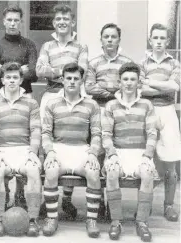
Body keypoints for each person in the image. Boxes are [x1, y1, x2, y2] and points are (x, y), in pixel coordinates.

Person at [36, 4, 88, 218]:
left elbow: (81, 73)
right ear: (53, 22)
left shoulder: (81, 46)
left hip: (74, 96)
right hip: (51, 94)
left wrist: (57, 71)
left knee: (72, 140)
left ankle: (66, 198)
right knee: (45, 142)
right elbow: (40, 70)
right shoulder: (47, 46)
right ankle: (46, 198)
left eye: (66, 18)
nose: (62, 22)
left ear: (72, 22)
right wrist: (66, 71)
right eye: (58, 19)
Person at [42, 63, 101, 238]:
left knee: (93, 172)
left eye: (76, 79)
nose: (72, 82)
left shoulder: (92, 105)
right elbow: (45, 133)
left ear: (82, 81)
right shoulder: (52, 104)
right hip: (59, 149)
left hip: (81, 149)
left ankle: (91, 220)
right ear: (62, 80)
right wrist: (50, 152)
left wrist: (92, 153)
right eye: (68, 78)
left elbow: (97, 134)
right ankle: (52, 218)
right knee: (51, 171)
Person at [102, 62, 158, 241]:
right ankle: (115, 221)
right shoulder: (111, 106)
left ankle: (141, 221)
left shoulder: (147, 105)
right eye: (125, 79)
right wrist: (112, 154)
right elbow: (106, 134)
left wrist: (147, 155)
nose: (128, 83)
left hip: (140, 152)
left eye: (132, 79)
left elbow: (151, 132)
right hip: (118, 152)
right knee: (111, 172)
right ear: (119, 82)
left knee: (148, 173)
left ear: (138, 82)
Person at [0, 62, 42, 237]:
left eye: (15, 77)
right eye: (8, 77)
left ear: (21, 80)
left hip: (24, 150)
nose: (11, 81)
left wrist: (32, 151)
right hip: (3, 150)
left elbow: (36, 130)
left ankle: (33, 220)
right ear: (2, 80)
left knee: (33, 171)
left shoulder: (31, 103)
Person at [85, 23, 133, 219]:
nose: (110, 40)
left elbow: (131, 86)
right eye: (106, 37)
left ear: (119, 40)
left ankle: (110, 198)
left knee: (112, 151)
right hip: (99, 110)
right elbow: (89, 87)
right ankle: (99, 202)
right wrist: (113, 93)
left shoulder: (127, 63)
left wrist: (111, 94)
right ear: (101, 40)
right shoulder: (94, 63)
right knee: (98, 153)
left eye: (114, 37)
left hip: (119, 112)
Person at [140, 23, 180, 222]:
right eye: (155, 38)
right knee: (147, 160)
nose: (158, 42)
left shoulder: (174, 63)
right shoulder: (142, 63)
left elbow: (174, 87)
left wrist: (151, 83)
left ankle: (169, 206)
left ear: (167, 41)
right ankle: (145, 205)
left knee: (170, 162)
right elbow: (139, 90)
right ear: (150, 39)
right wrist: (160, 87)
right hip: (148, 110)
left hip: (168, 111)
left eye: (162, 38)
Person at [0, 5, 38, 98]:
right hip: (1, 95)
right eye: (9, 20)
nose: (12, 24)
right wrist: (21, 70)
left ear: (21, 22)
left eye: (16, 20)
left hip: (25, 94)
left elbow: (33, 74)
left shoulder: (29, 45)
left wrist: (2, 68)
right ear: (4, 22)